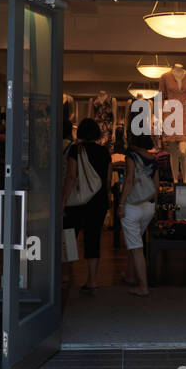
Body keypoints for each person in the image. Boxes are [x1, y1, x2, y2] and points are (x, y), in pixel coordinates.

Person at [62, 117, 112, 294]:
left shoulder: (76, 149)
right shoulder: (105, 152)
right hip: (98, 202)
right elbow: (107, 179)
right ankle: (92, 279)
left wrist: (63, 200)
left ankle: (66, 274)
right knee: (93, 238)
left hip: (76, 201)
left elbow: (71, 176)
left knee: (69, 236)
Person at [119, 132, 159, 297]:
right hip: (148, 206)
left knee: (136, 247)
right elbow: (156, 185)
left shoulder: (131, 156)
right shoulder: (154, 159)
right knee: (134, 241)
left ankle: (143, 286)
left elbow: (129, 180)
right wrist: (155, 205)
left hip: (132, 205)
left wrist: (121, 203)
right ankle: (130, 275)